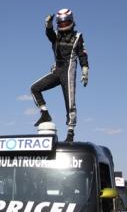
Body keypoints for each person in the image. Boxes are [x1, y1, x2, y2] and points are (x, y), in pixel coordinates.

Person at [31, 8, 89, 142]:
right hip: (57, 70)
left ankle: (70, 132)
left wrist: (85, 69)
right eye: (60, 23)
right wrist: (48, 25)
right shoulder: (56, 36)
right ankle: (45, 114)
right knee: (34, 88)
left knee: (70, 104)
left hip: (69, 72)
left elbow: (82, 54)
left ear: (71, 21)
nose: (63, 26)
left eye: (65, 23)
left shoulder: (78, 36)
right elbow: (49, 33)